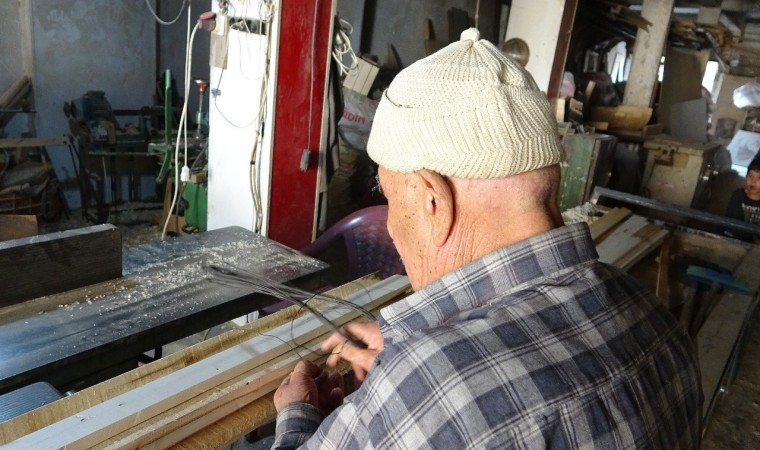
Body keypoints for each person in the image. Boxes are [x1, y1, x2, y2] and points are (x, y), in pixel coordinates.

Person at [272, 28, 702, 449]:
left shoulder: (427, 391)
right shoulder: (650, 313)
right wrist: (415, 351)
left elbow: (452, 398)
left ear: (432, 200)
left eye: (390, 197)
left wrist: (297, 417)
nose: (390, 225)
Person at [725, 155, 760, 242]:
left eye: (759, 178)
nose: (753, 181)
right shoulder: (739, 195)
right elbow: (732, 224)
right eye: (750, 176)